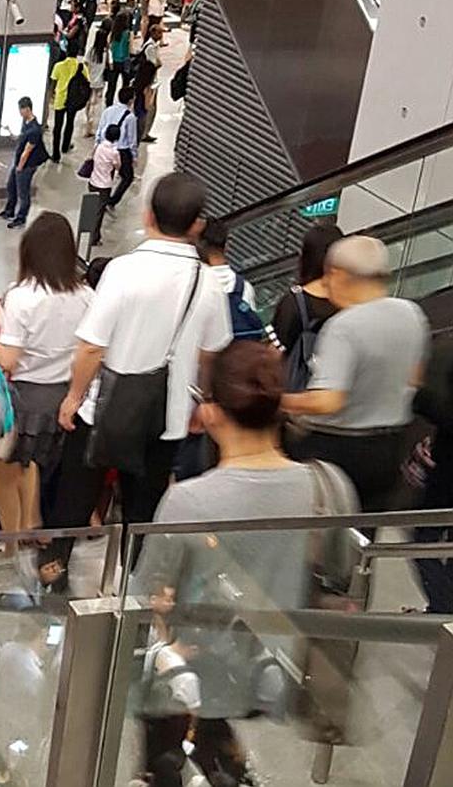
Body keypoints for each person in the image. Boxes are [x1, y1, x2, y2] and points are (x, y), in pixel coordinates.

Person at [135, 342, 357, 787]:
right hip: (289, 669)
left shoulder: (189, 502)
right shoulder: (331, 486)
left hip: (206, 671)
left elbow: (149, 595)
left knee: (157, 689)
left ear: (211, 414)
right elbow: (340, 572)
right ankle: (224, 763)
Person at [42, 173, 232, 584]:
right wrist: (201, 399)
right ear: (197, 224)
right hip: (166, 416)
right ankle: (136, 588)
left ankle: (54, 569)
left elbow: (92, 346)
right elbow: (212, 352)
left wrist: (73, 397)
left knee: (74, 497)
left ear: (148, 216)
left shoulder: (124, 271)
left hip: (104, 409)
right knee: (143, 510)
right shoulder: (208, 283)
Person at [283, 235, 428, 511]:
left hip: (336, 450)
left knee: (321, 526)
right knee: (365, 526)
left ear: (338, 274)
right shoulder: (412, 314)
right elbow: (415, 378)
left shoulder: (344, 326)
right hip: (391, 447)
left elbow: (327, 401)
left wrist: (280, 401)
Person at [0, 214, 94, 533]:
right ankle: (35, 523)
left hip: (23, 399)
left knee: (5, 474)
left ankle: (12, 541)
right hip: (67, 397)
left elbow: (8, 359)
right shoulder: (86, 296)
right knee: (41, 466)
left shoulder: (21, 296)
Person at [271, 223, 344, 389]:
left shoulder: (294, 301)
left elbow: (274, 353)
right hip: (340, 391)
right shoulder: (351, 300)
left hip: (300, 392)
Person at [0, 97, 46, 229]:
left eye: (21, 109)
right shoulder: (26, 124)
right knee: (11, 186)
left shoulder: (35, 130)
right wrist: (10, 132)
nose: (19, 112)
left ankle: (21, 218)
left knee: (23, 192)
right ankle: (9, 211)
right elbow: (21, 139)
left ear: (27, 109)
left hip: (26, 165)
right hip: (19, 162)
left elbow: (27, 151)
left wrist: (19, 167)